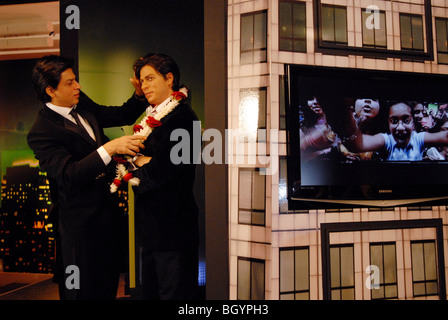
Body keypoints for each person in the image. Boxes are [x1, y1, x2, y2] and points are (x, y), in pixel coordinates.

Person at [27, 55, 148, 300]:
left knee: (107, 290)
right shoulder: (41, 130)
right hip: (80, 235)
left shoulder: (81, 104)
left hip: (108, 223)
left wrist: (138, 94)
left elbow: (120, 115)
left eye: (76, 80)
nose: (78, 86)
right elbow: (68, 175)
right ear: (51, 90)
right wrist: (110, 148)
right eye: (70, 83)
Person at [130, 53, 200, 300]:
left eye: (150, 78)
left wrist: (139, 161)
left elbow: (168, 174)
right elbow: (156, 168)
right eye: (141, 80)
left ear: (169, 78)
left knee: (174, 295)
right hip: (152, 229)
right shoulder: (154, 117)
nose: (145, 85)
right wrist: (145, 162)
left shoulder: (184, 117)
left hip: (173, 230)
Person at [341, 102, 448, 161]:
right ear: (388, 123)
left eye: (406, 120)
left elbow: (445, 136)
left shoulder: (418, 138)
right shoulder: (387, 140)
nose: (400, 127)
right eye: (394, 121)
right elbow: (358, 144)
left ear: (412, 122)